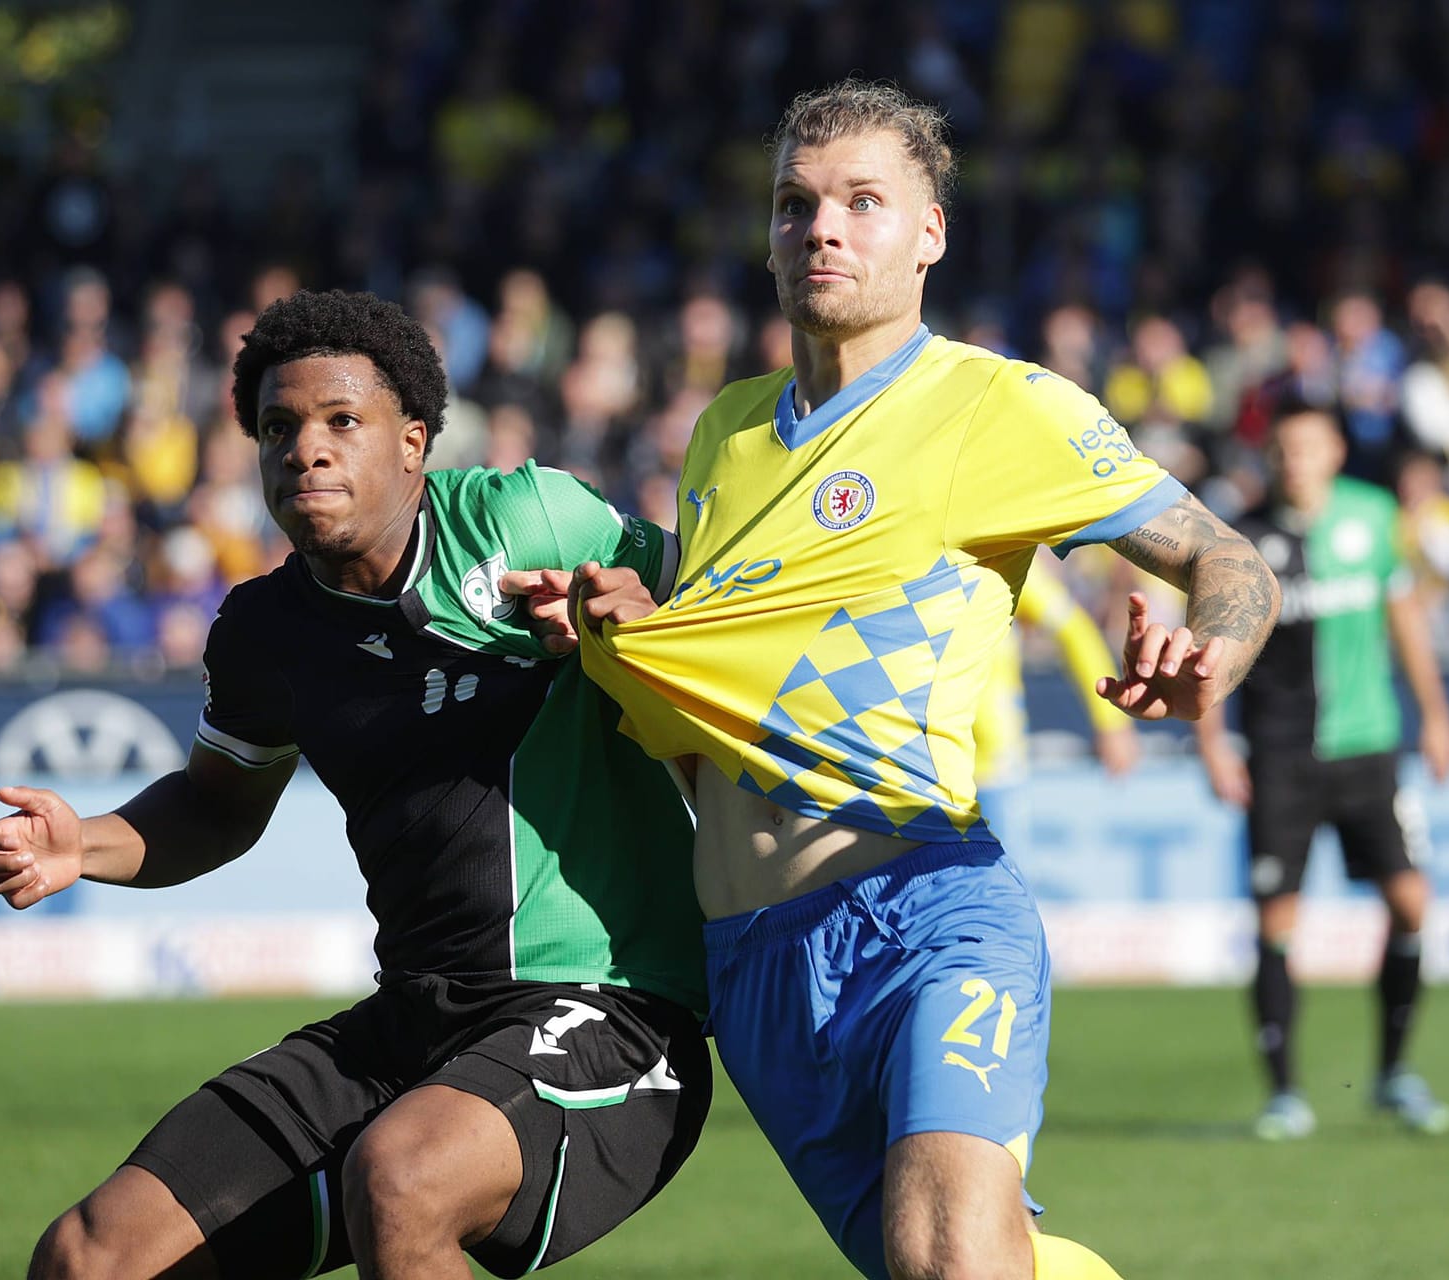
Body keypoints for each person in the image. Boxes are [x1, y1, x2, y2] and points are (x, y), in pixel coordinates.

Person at [503, 80, 1280, 1280]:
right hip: (754, 964)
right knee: (975, 1262)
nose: (822, 228)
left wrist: (1214, 648)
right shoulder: (725, 432)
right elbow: (713, 697)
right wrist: (615, 635)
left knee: (954, 1261)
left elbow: (1227, 557)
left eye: (864, 202)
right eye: (795, 204)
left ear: (930, 232)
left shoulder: (1000, 407)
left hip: (924, 905)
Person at [0, 290, 710, 1280]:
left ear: (413, 443)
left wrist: (635, 628)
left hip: (611, 1008)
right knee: (92, 1255)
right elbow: (214, 807)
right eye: (279, 427)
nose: (304, 449)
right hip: (415, 1022)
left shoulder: (527, 518)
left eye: (339, 422)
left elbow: (713, 614)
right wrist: (84, 842)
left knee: (401, 1181)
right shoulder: (265, 635)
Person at [1195, 401, 1449, 1142]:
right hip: (1280, 755)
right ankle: (1284, 1094)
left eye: (1309, 447)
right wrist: (1213, 742)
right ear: (1270, 457)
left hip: (1369, 745)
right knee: (1278, 919)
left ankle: (1392, 1075)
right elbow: (1212, 643)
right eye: (1283, 448)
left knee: (1412, 903)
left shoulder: (1374, 518)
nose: (1296, 461)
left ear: (1336, 452)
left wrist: (1436, 717)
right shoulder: (1244, 537)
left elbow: (1404, 619)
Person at [973, 555, 1140, 851]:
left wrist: (1112, 723)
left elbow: (1074, 629)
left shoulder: (990, 556)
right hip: (921, 767)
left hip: (991, 767)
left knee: (997, 889)